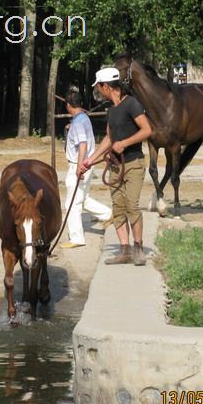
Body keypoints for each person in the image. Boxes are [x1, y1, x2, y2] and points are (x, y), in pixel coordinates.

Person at [81, 67, 152, 266]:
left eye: (98, 87)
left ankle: (138, 248)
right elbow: (109, 138)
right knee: (118, 208)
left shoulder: (132, 104)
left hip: (133, 163)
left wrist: (125, 143)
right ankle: (124, 250)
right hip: (114, 166)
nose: (98, 90)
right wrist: (90, 159)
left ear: (106, 86)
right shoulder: (111, 110)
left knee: (132, 205)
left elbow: (147, 130)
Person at [60, 90, 112, 249]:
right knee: (82, 198)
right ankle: (108, 214)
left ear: (68, 105)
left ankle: (76, 237)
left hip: (79, 163)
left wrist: (79, 166)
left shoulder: (78, 123)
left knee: (71, 204)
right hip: (87, 163)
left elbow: (82, 144)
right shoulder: (83, 118)